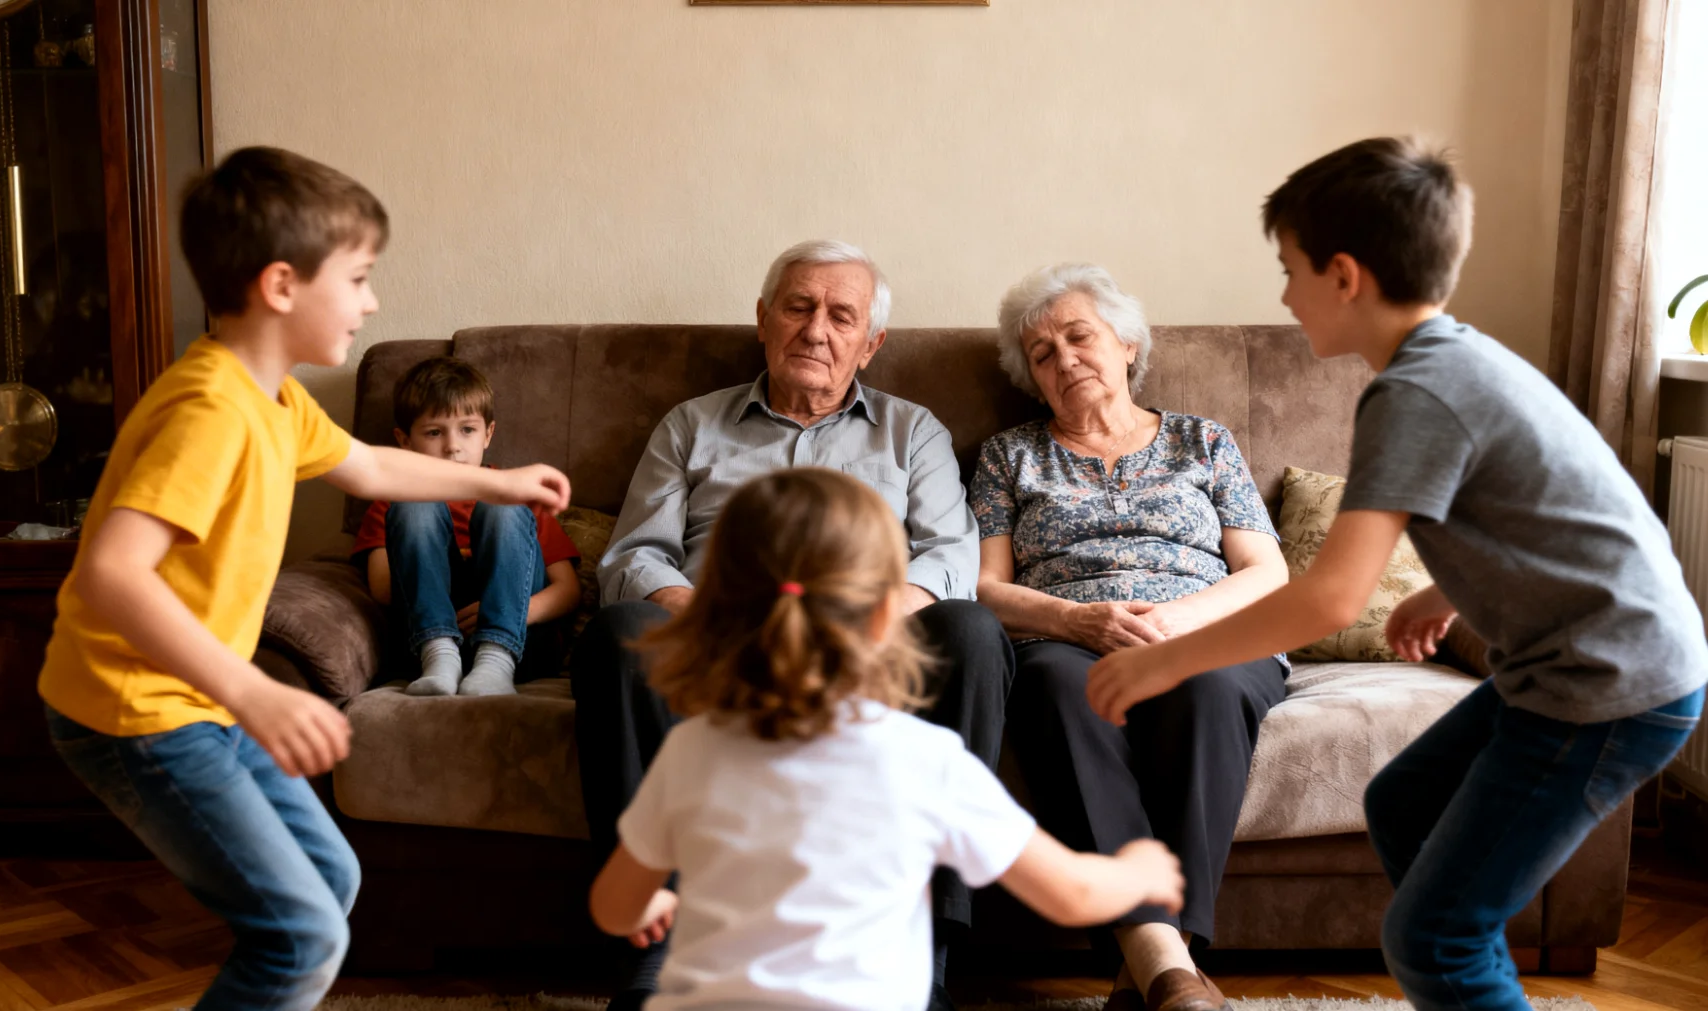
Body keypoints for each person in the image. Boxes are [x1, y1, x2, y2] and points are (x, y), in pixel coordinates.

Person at [1085, 136, 1708, 1011]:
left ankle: (1462, 963)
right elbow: (1538, 503)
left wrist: (1166, 657)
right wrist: (1443, 588)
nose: (1283, 292)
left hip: (1608, 683)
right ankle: (1470, 969)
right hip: (1590, 657)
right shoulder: (1453, 360)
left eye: (1290, 268)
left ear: (1344, 274)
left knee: (1433, 936)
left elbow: (1329, 596)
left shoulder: (1414, 391)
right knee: (1407, 804)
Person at [36, 147, 571, 1011]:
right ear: (282, 284)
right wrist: (255, 692)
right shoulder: (210, 411)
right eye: (359, 277)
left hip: (192, 703)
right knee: (301, 935)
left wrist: (497, 483)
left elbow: (370, 466)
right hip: (134, 711)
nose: (373, 300)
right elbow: (110, 574)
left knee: (331, 876)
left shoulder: (274, 398)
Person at [573, 239, 1013, 1010]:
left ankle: (930, 950)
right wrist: (696, 610)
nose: (816, 329)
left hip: (870, 638)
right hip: (715, 625)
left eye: (842, 315)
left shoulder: (914, 433)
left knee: (973, 630)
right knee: (617, 632)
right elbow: (634, 552)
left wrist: (873, 624)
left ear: (870, 344)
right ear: (763, 319)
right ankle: (660, 944)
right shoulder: (690, 425)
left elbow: (949, 556)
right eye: (799, 306)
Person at [588, 468, 1185, 1011]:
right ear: (885, 621)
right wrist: (1137, 873)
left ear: (717, 614)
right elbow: (1072, 895)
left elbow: (613, 904)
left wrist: (648, 907)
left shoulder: (692, 752)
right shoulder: (926, 761)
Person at [971, 263, 1289, 1011]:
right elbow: (985, 586)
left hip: (1206, 628)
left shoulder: (1203, 440)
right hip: (1064, 632)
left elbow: (1267, 570)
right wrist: (1078, 619)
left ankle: (1148, 970)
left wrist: (1177, 624)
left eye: (1079, 336)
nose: (1064, 359)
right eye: (1042, 355)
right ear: (1032, 380)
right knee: (1056, 684)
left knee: (1206, 685)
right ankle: (1173, 976)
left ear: (1127, 344)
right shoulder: (1007, 455)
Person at [351, 356, 581, 696]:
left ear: (488, 433)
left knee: (502, 506)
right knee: (415, 501)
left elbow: (569, 590)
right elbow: (385, 588)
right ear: (404, 441)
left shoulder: (519, 494)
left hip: (520, 641)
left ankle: (496, 659)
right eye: (434, 432)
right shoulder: (392, 498)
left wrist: (507, 609)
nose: (453, 446)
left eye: (467, 430)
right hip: (427, 644)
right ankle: (440, 653)